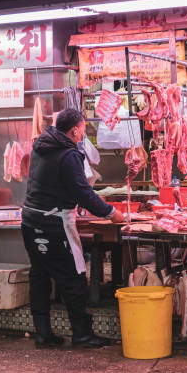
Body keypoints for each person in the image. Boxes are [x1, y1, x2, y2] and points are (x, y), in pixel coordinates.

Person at [21, 108, 124, 349]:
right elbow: (83, 194)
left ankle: (43, 335)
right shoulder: (69, 155)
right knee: (73, 278)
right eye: (83, 127)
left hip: (30, 220)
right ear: (74, 129)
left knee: (40, 276)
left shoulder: (42, 144)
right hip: (54, 223)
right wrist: (111, 213)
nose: (84, 132)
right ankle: (82, 334)